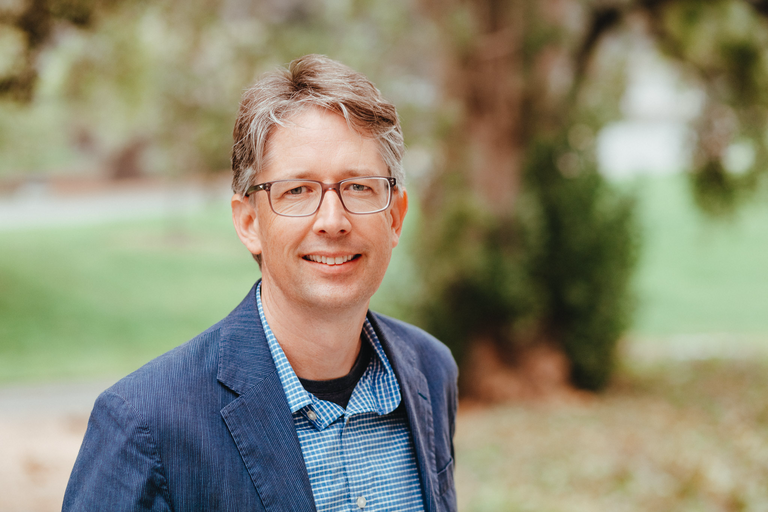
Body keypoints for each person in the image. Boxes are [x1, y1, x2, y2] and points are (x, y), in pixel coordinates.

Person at [63, 54, 458, 512]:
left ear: (395, 216)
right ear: (249, 221)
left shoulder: (431, 370)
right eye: (297, 190)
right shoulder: (144, 425)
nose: (333, 221)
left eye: (358, 187)